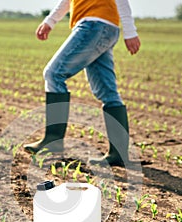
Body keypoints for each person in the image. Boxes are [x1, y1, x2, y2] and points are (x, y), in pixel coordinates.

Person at [24, 0, 141, 166]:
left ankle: (52, 142)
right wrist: (50, 21)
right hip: (103, 27)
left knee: (54, 74)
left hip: (93, 25)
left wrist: (130, 32)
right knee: (108, 92)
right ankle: (119, 153)